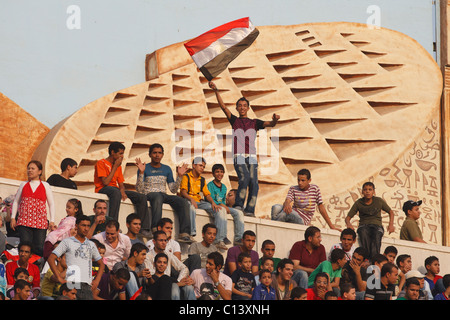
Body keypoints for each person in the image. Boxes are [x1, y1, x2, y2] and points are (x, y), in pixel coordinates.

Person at [209, 80, 280, 217]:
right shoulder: (234, 120)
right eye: (239, 106)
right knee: (245, 177)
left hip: (251, 157)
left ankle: (250, 210)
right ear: (237, 108)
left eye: (244, 106)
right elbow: (223, 107)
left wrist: (275, 119)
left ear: (248, 108)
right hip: (239, 155)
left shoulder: (254, 123)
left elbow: (270, 124)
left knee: (254, 183)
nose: (242, 108)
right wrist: (216, 90)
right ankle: (239, 205)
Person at [135, 143, 191, 241]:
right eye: (155, 153)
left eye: (159, 153)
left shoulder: (167, 168)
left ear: (162, 155)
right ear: (150, 154)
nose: (157, 155)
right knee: (157, 196)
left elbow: (173, 190)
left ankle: (184, 233)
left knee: (182, 201)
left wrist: (180, 176)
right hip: (150, 194)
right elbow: (139, 189)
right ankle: (155, 228)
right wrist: (141, 173)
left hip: (163, 194)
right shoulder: (144, 167)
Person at [48, 215, 105, 300]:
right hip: (71, 284)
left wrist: (97, 281)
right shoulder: (67, 242)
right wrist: (59, 278)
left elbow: (102, 264)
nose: (86, 228)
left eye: (88, 226)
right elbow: (51, 259)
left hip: (87, 285)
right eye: (83, 225)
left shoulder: (91, 244)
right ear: (76, 226)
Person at [94, 141, 149, 225]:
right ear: (112, 152)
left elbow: (121, 184)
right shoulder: (101, 163)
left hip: (115, 189)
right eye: (120, 153)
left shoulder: (118, 166)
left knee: (141, 197)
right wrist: (115, 166)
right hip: (103, 189)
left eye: (122, 154)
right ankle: (113, 223)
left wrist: (122, 191)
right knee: (116, 191)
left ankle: (144, 227)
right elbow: (105, 182)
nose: (122, 156)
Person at [10, 160, 56, 257]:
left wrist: (52, 221)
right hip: (24, 221)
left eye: (32, 168)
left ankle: (36, 269)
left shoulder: (45, 185)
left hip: (40, 222)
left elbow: (51, 204)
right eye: (28, 168)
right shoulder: (23, 184)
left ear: (39, 171)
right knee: (25, 246)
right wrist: (13, 218)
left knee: (39, 248)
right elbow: (16, 202)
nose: (30, 171)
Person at [272, 169, 338, 229]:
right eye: (298, 180)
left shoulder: (315, 189)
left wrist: (331, 226)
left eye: (303, 180)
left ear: (309, 180)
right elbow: (288, 199)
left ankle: (273, 228)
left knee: (285, 213)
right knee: (275, 207)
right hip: (293, 212)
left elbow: (321, 207)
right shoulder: (293, 188)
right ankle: (273, 226)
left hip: (302, 219)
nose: (300, 183)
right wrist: (286, 203)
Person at [345, 182, 395, 260]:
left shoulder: (379, 201)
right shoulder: (359, 203)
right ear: (362, 192)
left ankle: (375, 259)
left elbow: (391, 212)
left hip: (377, 226)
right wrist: (349, 224)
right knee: (363, 232)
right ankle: (367, 258)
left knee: (377, 234)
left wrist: (391, 225)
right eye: (365, 190)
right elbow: (348, 217)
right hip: (364, 225)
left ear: (373, 191)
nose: (367, 191)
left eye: (370, 189)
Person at [179, 156, 221, 243]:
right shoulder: (186, 176)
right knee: (191, 207)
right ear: (194, 165)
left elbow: (207, 194)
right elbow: (183, 192)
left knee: (217, 209)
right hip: (188, 200)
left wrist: (213, 202)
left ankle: (219, 238)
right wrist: (191, 199)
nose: (202, 168)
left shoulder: (202, 180)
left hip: (199, 202)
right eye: (200, 165)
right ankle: (191, 233)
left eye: (203, 167)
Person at [144, 230, 195, 300]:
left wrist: (180, 281)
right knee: (173, 285)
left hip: (171, 283)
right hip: (156, 288)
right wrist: (176, 284)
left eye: (165, 241)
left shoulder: (168, 254)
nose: (164, 243)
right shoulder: (148, 256)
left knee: (188, 287)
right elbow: (153, 278)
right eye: (161, 240)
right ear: (154, 242)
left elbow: (184, 268)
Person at [207, 163, 245, 247]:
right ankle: (220, 238)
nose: (219, 174)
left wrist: (224, 206)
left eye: (221, 172)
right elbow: (211, 199)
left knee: (239, 213)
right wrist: (222, 205)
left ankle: (239, 238)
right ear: (213, 174)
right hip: (214, 205)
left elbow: (223, 201)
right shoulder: (210, 185)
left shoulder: (224, 187)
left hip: (223, 206)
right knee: (222, 210)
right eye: (217, 172)